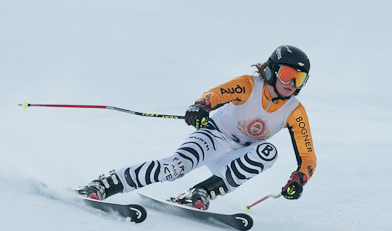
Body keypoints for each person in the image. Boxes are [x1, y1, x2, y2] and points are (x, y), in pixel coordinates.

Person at [76, 45, 317, 210]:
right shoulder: (248, 85)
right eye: (287, 74)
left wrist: (299, 178)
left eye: (299, 78)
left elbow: (307, 156)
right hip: (214, 137)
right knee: (174, 168)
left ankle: (200, 193)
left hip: (239, 154)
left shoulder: (295, 111)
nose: (292, 84)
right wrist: (201, 107)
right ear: (272, 70)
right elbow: (215, 94)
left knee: (268, 152)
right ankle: (108, 183)